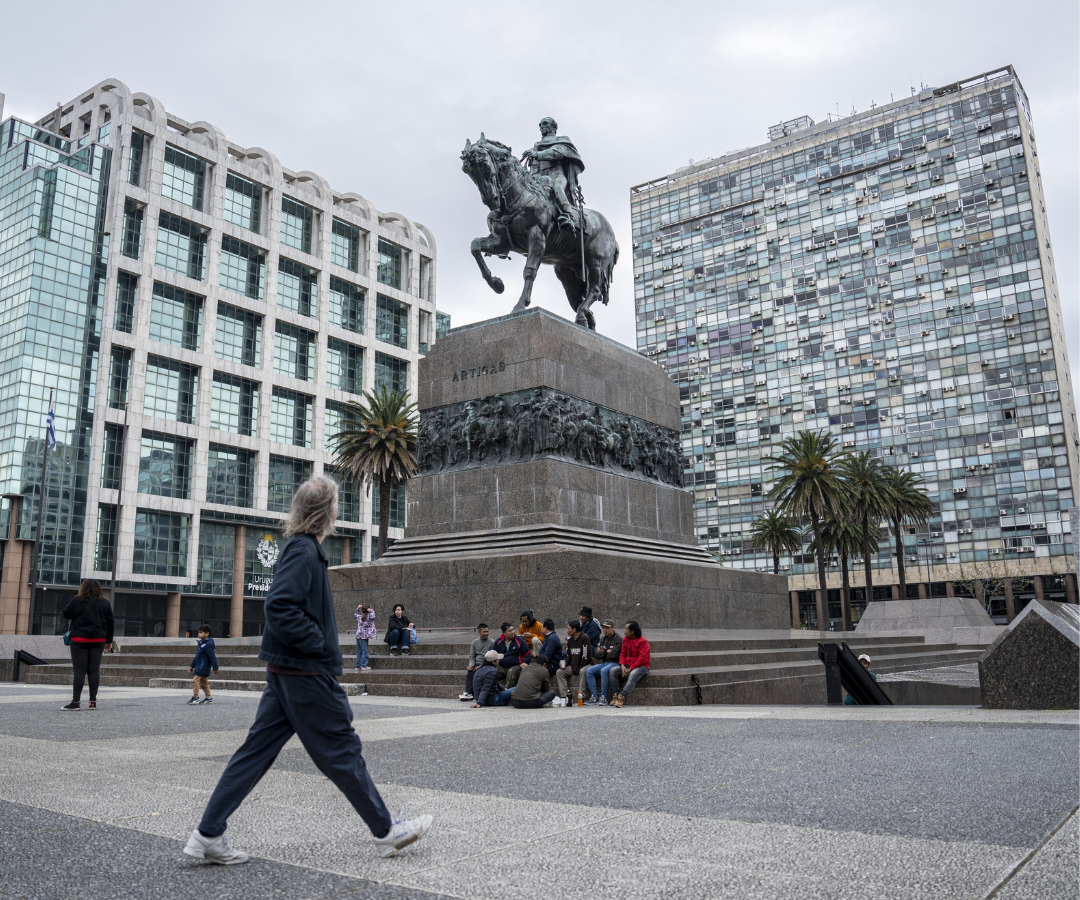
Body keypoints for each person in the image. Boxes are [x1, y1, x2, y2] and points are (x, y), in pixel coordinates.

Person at [183, 475, 431, 865]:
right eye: (336, 504)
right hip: (304, 673)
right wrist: (319, 645)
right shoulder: (302, 551)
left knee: (256, 751)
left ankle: (208, 833)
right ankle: (386, 832)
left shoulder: (302, 549)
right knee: (342, 751)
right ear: (329, 512)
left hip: (287, 671)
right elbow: (279, 606)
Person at [522, 117, 585, 232]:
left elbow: (556, 153)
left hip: (556, 175)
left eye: (545, 124)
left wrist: (537, 155)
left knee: (557, 188)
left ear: (554, 127)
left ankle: (567, 215)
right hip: (538, 178)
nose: (542, 127)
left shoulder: (562, 140)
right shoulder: (535, 147)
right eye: (540, 125)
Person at [60, 579, 114, 711]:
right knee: (94, 670)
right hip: (98, 640)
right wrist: (109, 641)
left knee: (79, 671)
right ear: (99, 589)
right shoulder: (104, 603)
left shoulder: (77, 601)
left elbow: (66, 614)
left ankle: (76, 702)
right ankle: (93, 702)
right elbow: (110, 623)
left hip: (80, 639)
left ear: (82, 588)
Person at [610, 621, 650, 709]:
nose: (624, 631)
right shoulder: (626, 639)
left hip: (642, 666)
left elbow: (643, 659)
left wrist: (630, 669)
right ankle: (615, 695)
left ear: (632, 631)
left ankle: (622, 696)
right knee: (613, 671)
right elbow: (622, 654)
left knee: (632, 675)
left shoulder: (643, 641)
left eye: (626, 629)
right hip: (627, 665)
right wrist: (622, 665)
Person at [584, 619, 623, 706]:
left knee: (604, 670)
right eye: (604, 627)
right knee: (589, 670)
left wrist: (603, 652)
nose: (605, 629)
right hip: (605, 662)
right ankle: (594, 696)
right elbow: (596, 655)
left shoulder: (618, 639)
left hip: (615, 663)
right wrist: (606, 651)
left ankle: (603, 697)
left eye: (607, 628)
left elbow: (614, 654)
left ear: (613, 628)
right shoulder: (602, 639)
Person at [556, 620, 592, 703]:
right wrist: (565, 663)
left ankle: (581, 695)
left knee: (583, 671)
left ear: (574, 630)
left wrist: (577, 668)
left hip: (586, 664)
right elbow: (568, 655)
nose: (567, 630)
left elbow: (586, 656)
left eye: (568, 629)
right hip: (575, 666)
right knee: (560, 672)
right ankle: (564, 696)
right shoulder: (570, 640)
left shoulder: (584, 638)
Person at [460, 623, 493, 701]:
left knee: (478, 670)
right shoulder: (475, 642)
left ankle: (475, 693)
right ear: (479, 632)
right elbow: (472, 656)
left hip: (486, 663)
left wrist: (481, 666)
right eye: (484, 632)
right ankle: (468, 692)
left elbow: (491, 657)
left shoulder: (492, 642)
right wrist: (471, 665)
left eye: (487, 631)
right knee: (471, 670)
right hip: (476, 663)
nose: (486, 634)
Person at [187, 625, 219, 705]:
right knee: (204, 683)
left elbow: (212, 656)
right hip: (200, 666)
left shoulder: (208, 644)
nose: (199, 634)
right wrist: (192, 666)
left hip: (203, 667)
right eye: (198, 632)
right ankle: (208, 698)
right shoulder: (201, 643)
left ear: (207, 634)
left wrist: (215, 667)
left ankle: (195, 697)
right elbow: (197, 656)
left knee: (195, 680)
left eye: (201, 632)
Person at [492, 623, 527, 687]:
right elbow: (492, 654)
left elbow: (527, 653)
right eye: (509, 631)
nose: (512, 632)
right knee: (492, 672)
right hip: (501, 666)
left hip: (515, 665)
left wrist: (525, 662)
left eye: (513, 630)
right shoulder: (498, 641)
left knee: (511, 673)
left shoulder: (519, 640)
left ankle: (507, 693)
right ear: (504, 633)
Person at [354, 603, 376, 672]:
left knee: (359, 651)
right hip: (364, 636)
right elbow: (373, 616)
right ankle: (364, 665)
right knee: (365, 651)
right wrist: (371, 610)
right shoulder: (368, 617)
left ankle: (357, 666)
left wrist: (358, 609)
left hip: (358, 636)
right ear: (368, 609)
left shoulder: (360, 616)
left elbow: (355, 615)